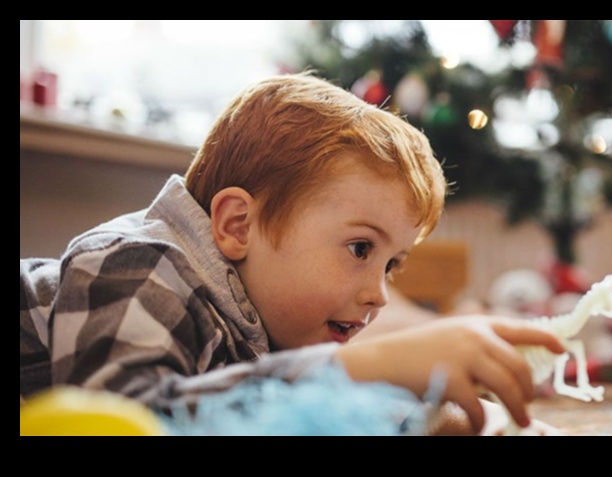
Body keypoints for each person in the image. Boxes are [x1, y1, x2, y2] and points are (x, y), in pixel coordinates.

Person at [20, 72, 564, 435]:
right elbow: (119, 419)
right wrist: (357, 366)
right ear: (238, 224)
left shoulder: (254, 316)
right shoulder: (136, 264)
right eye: (360, 248)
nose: (379, 294)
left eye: (391, 264)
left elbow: (267, 412)